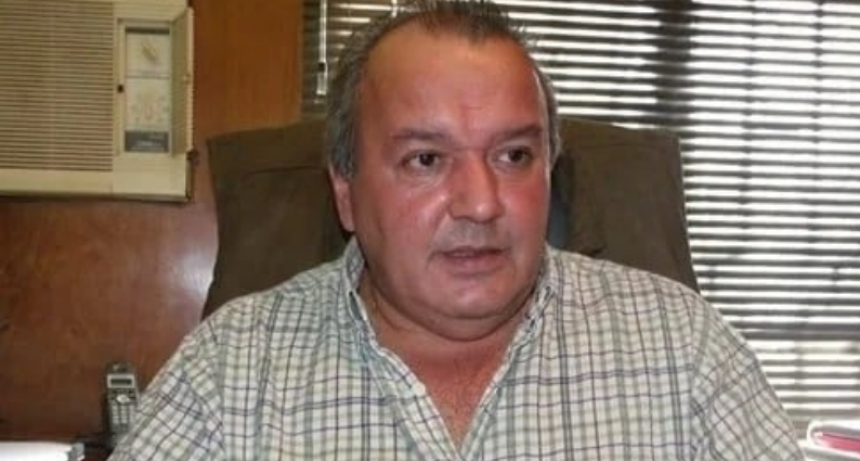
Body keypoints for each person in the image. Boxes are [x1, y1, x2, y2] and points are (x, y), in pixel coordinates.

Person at [109, 1, 804, 459]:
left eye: (514, 156)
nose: (480, 203)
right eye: (426, 159)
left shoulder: (684, 351)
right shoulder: (228, 375)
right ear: (346, 191)